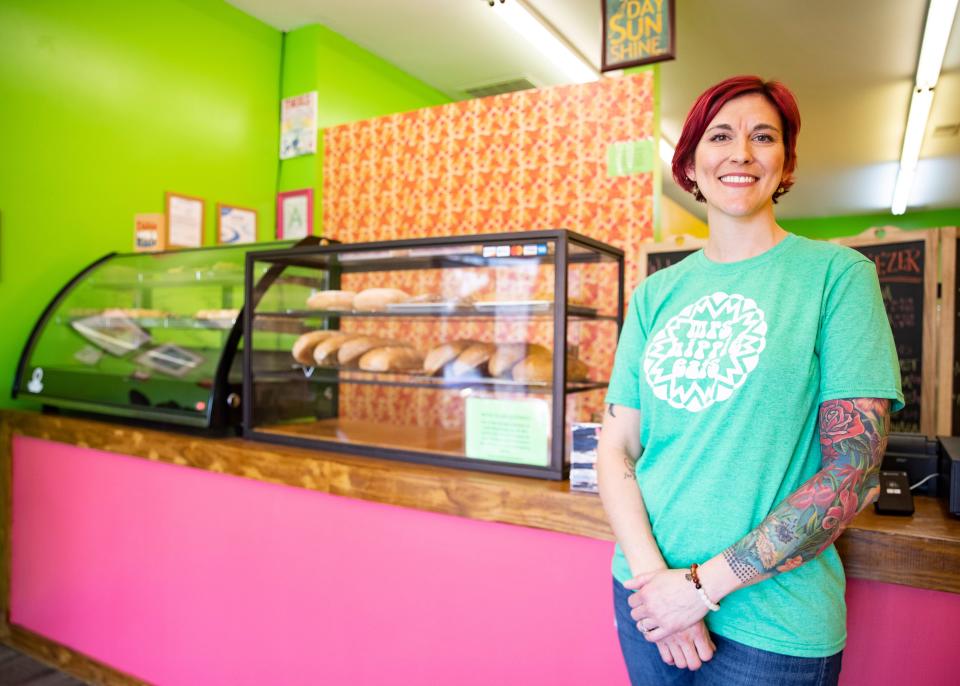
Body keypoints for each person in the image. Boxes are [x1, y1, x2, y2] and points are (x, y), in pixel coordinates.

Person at [597, 75, 903, 686]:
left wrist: (698, 591)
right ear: (689, 161)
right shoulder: (656, 294)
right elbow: (617, 449)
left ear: (785, 160)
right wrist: (658, 584)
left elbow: (852, 469)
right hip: (644, 599)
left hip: (774, 628)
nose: (740, 152)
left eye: (763, 136)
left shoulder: (837, 277)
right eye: (720, 136)